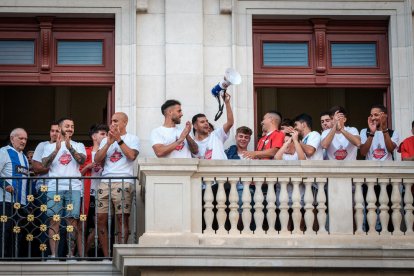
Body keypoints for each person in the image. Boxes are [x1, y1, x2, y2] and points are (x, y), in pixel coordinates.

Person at [94, 112, 139, 257]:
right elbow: (97, 159)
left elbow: (131, 156)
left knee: (122, 218)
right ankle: (107, 255)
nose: (112, 123)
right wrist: (108, 143)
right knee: (100, 219)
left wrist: (119, 139)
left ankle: (122, 253)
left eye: (116, 121)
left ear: (125, 122)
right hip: (105, 182)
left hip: (123, 181)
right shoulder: (105, 140)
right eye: (111, 121)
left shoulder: (133, 138)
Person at [42, 118, 86, 258]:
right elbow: (44, 164)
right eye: (67, 126)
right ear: (60, 128)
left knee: (72, 221)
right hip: (54, 187)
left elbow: (82, 161)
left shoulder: (78, 145)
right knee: (54, 220)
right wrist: (57, 149)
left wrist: (70, 147)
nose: (70, 128)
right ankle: (54, 254)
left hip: (74, 187)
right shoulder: (50, 146)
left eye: (72, 126)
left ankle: (70, 254)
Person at [79, 123, 109, 256]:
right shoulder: (84, 151)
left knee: (99, 224)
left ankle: (84, 252)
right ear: (94, 136)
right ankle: (78, 253)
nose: (106, 136)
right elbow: (76, 173)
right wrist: (88, 167)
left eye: (107, 134)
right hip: (87, 193)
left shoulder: (108, 151)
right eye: (103, 134)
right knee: (83, 224)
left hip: (103, 192)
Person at [31, 121, 60, 257]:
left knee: (61, 223)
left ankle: (58, 255)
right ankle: (44, 256)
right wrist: (54, 167)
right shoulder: (43, 145)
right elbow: (36, 168)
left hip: (61, 189)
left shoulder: (67, 146)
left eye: (57, 131)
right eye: (52, 130)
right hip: (44, 189)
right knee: (44, 221)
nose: (54, 133)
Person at [0, 128, 29, 257]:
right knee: (4, 230)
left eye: (25, 139)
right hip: (5, 201)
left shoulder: (24, 157)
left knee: (18, 232)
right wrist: (5, 184)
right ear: (12, 139)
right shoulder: (3, 151)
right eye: (20, 138)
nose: (23, 141)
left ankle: (14, 259)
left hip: (21, 203)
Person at [192, 93, 233, 160]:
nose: (206, 123)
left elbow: (230, 123)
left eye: (207, 121)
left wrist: (227, 103)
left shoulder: (216, 135)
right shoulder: (192, 144)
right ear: (195, 126)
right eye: (202, 122)